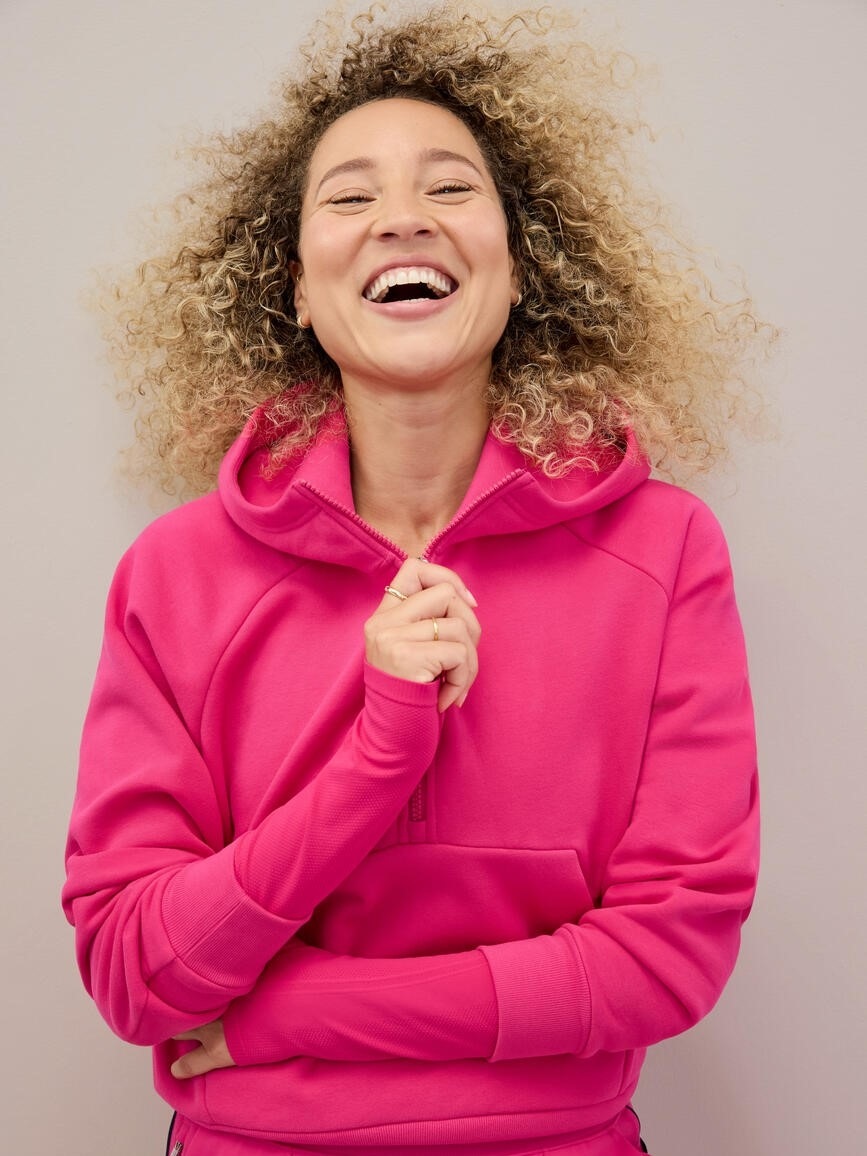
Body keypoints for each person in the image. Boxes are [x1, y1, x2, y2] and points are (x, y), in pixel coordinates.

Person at [63, 5, 770, 1154]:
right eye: (349, 198)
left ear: (521, 266)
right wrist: (378, 757)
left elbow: (668, 958)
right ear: (294, 288)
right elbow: (137, 971)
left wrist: (289, 1015)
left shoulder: (666, 550)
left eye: (449, 187)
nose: (402, 217)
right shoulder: (175, 574)